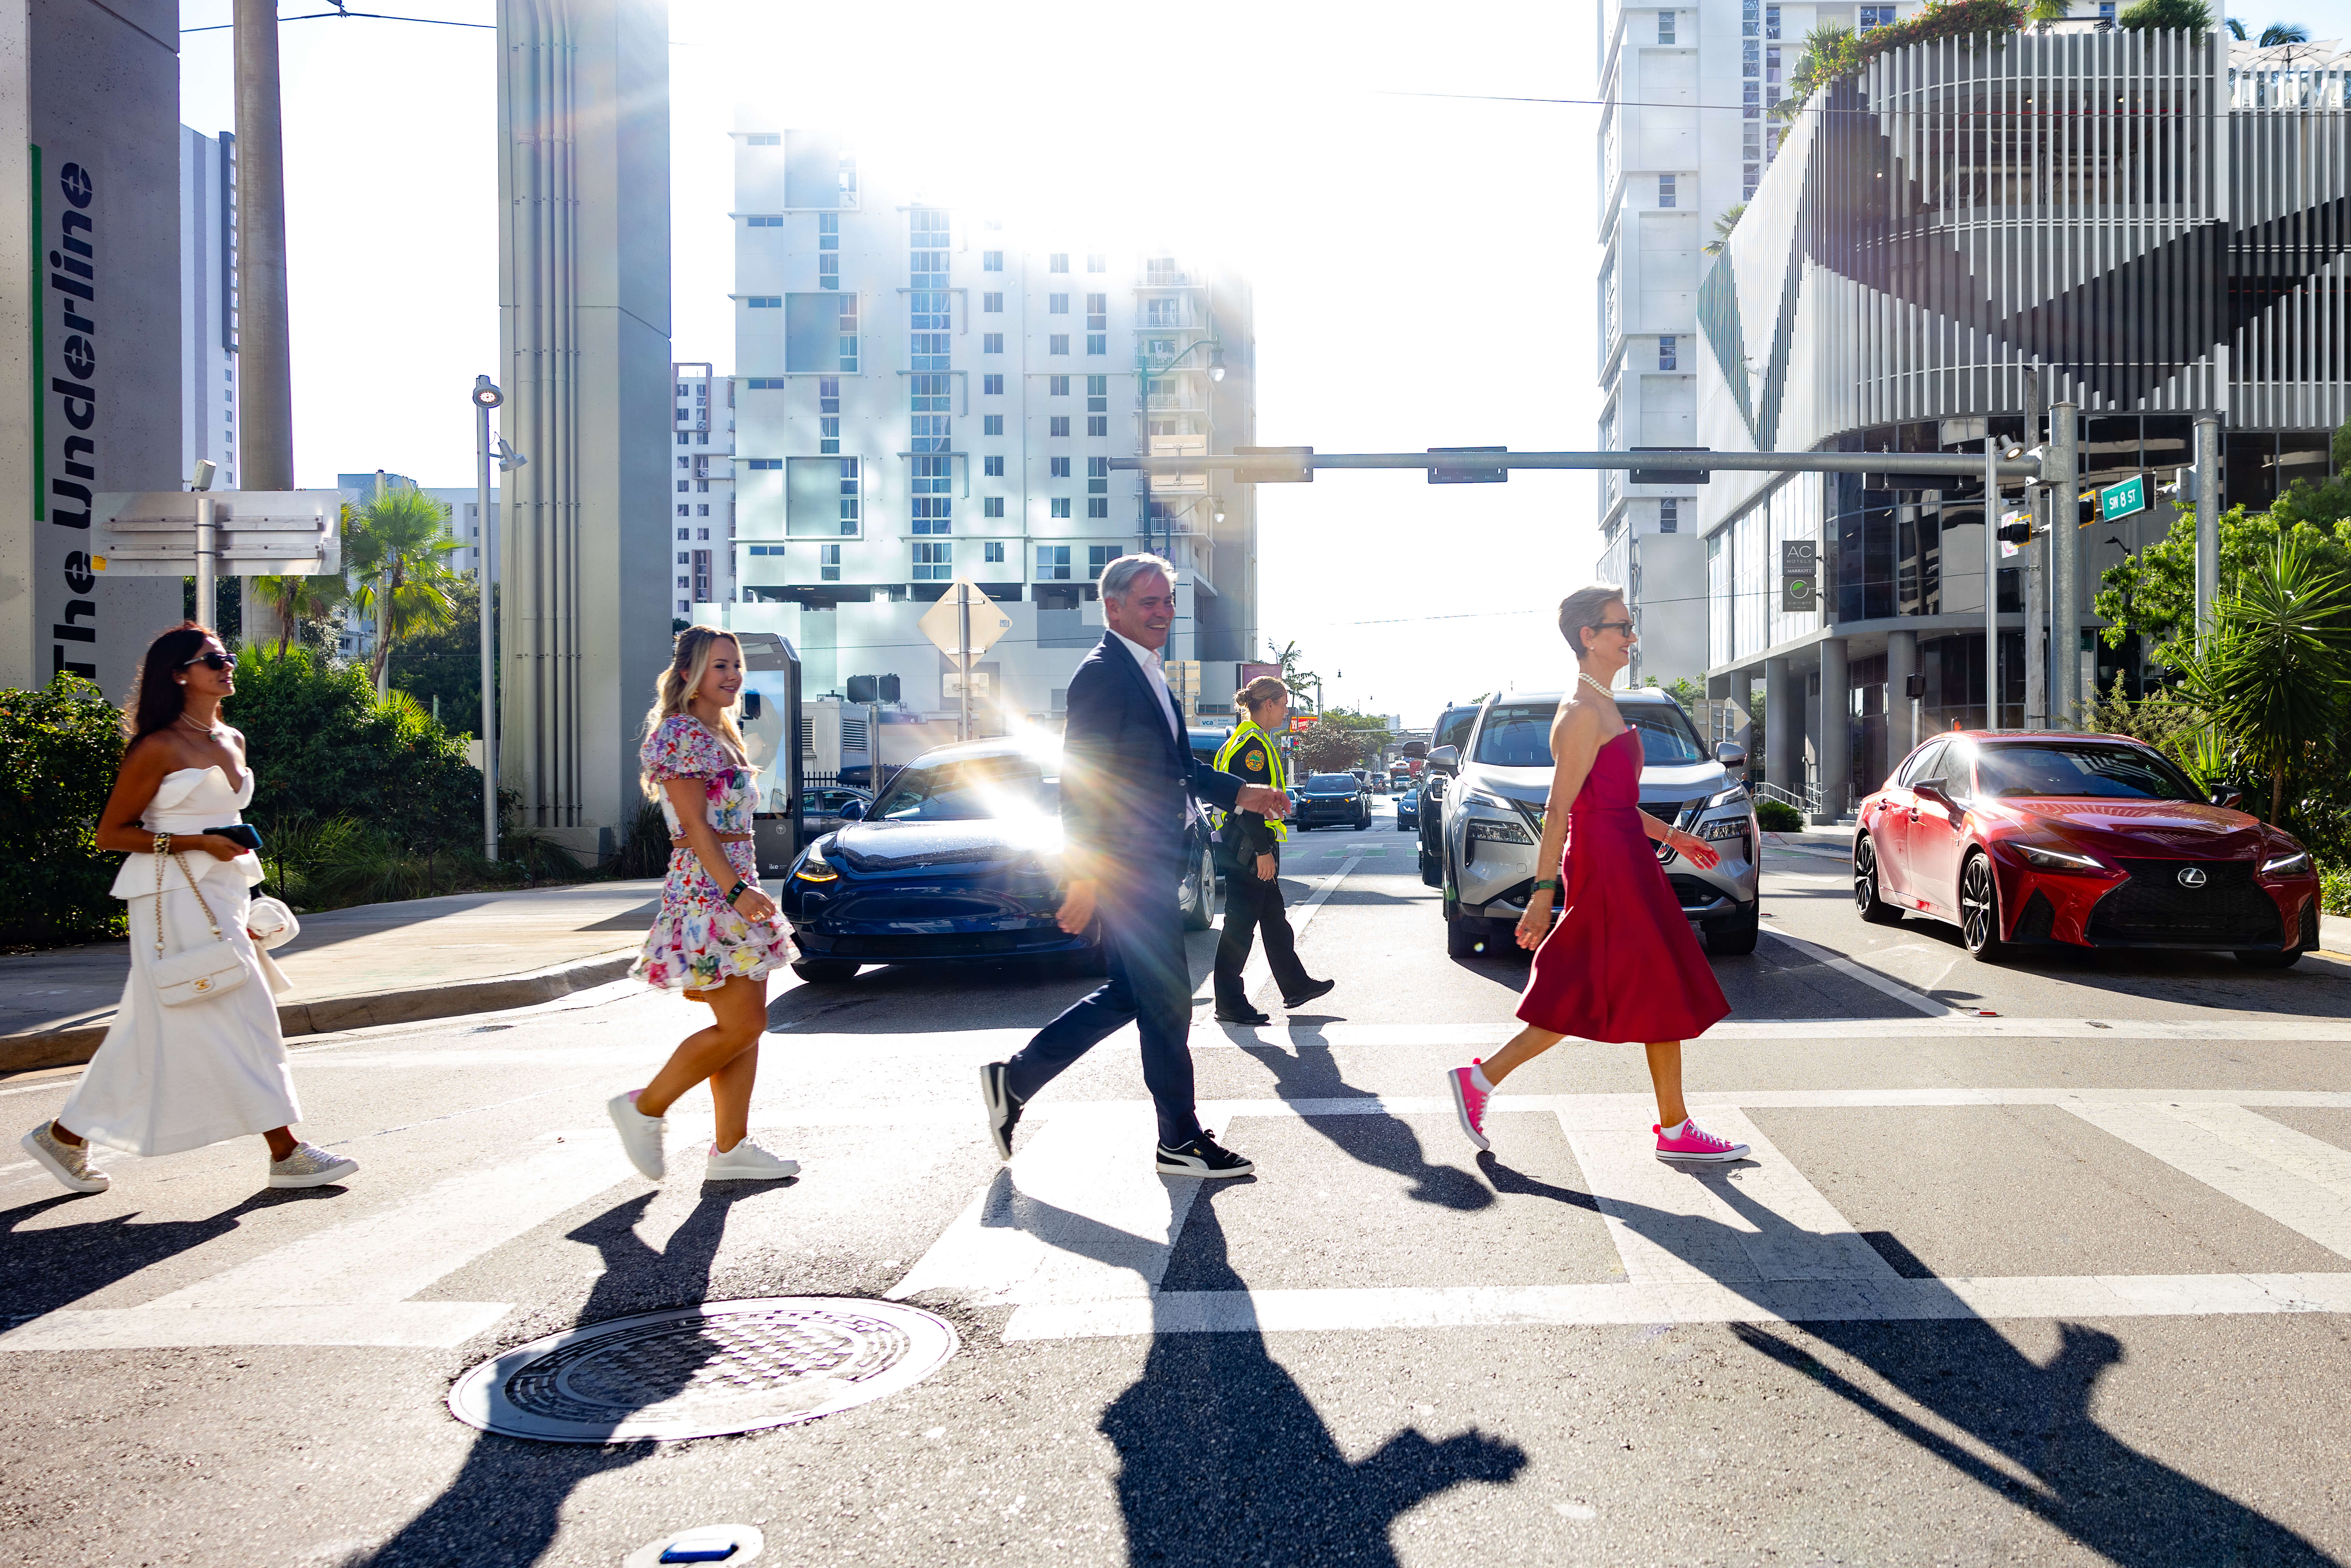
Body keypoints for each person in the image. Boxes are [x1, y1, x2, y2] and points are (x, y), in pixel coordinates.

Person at [980, 555, 1293, 1177]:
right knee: (1171, 998)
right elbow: (1082, 778)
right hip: (1126, 864)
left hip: (1151, 858)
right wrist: (1085, 872)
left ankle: (1014, 1079)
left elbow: (1178, 768)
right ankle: (1178, 1136)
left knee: (1135, 991)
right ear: (1113, 607)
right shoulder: (1102, 674)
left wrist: (1244, 793)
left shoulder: (1149, 674)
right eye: (1149, 601)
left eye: (1168, 600)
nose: (1163, 612)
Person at [20, 623, 358, 1196]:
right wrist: (198, 842)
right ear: (180, 674)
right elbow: (110, 833)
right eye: (213, 659)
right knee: (242, 1012)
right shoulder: (157, 746)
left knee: (153, 1027)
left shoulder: (233, 738)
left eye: (226, 657)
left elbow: (219, 819)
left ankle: (66, 1134)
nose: (227, 666)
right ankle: (286, 1151)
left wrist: (240, 879)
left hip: (223, 890)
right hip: (172, 896)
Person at [1443, 586, 1750, 1163]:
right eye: (1621, 628)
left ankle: (1486, 1081)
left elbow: (1607, 800)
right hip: (1607, 866)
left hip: (1625, 855)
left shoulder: (1603, 703)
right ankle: (1670, 1126)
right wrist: (1541, 894)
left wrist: (1672, 835)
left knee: (1624, 986)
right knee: (1627, 982)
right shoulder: (1581, 712)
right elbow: (1560, 809)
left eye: (1630, 627)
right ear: (1589, 636)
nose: (1631, 637)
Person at [608, 627, 799, 1183]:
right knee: (744, 1023)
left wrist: (746, 886)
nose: (733, 675)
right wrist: (738, 893)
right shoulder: (683, 734)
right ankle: (644, 1107)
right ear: (690, 673)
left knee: (743, 1026)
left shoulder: (723, 733)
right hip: (711, 892)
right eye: (720, 666)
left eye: (736, 665)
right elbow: (694, 825)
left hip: (736, 883)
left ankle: (731, 1147)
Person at [1209, 676, 1333, 1025]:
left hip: (1247, 847)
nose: (1287, 712)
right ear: (1268, 705)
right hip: (1249, 848)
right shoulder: (1252, 748)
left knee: (1275, 921)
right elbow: (1250, 804)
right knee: (1239, 927)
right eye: (1284, 705)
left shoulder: (1248, 741)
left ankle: (1296, 986)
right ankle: (1230, 1002)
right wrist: (1262, 852)